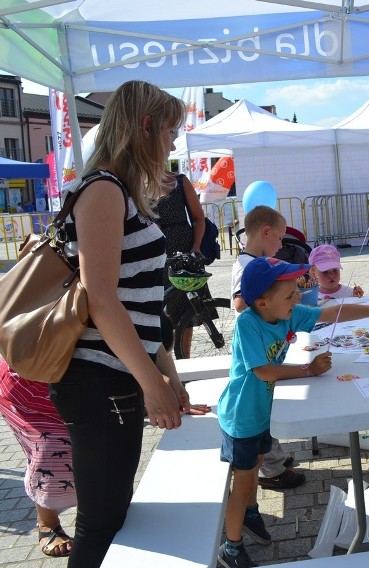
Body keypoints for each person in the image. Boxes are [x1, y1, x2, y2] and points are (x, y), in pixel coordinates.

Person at [48, 80, 207, 567]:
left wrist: (169, 375)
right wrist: (151, 383)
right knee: (101, 524)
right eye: (171, 131)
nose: (175, 143)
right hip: (98, 378)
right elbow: (102, 302)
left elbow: (140, 303)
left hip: (114, 375)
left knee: (112, 517)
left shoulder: (121, 192)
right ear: (145, 126)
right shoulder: (103, 190)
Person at [216, 256, 369, 568]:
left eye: (297, 291)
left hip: (263, 412)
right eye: (290, 294)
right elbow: (264, 371)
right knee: (242, 481)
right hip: (242, 417)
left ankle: (250, 513)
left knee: (256, 465)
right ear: (262, 302)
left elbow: (333, 312)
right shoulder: (248, 323)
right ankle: (230, 546)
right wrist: (308, 370)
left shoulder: (285, 314)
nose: (298, 297)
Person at [230, 204, 306, 490]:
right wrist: (271, 301)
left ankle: (275, 459)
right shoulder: (250, 265)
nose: (281, 245)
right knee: (261, 409)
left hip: (260, 344)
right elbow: (240, 302)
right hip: (255, 350)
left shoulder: (249, 262)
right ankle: (272, 469)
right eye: (280, 237)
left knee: (266, 406)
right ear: (265, 232)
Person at [0, 357, 75, 557]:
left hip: (88, 378)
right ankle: (47, 522)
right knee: (49, 447)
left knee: (103, 446)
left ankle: (99, 510)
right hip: (26, 381)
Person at [153, 170, 209, 356]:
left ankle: (185, 359)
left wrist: (196, 247)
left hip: (183, 251)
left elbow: (198, 218)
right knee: (160, 308)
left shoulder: (179, 181)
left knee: (187, 308)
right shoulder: (134, 181)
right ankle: (165, 359)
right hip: (154, 253)